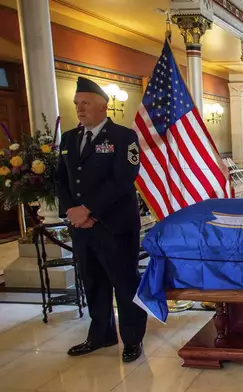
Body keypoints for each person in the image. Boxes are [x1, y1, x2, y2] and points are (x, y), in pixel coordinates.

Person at [55, 76, 147, 363]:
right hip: (82, 228)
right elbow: (61, 179)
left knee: (124, 283)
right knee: (93, 282)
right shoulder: (69, 138)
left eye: (86, 103)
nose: (80, 109)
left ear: (104, 106)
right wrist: (72, 211)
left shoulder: (123, 137)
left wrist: (89, 210)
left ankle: (132, 339)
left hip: (114, 226)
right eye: (77, 104)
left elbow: (122, 179)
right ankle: (100, 335)